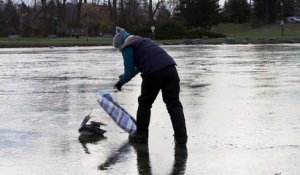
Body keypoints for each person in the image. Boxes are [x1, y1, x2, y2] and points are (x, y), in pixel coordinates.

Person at [112, 26, 188, 147]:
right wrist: (125, 77)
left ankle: (141, 135)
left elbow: (129, 71)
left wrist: (121, 82)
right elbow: (139, 66)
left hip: (153, 73)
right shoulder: (144, 41)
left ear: (121, 43)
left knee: (144, 103)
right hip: (171, 69)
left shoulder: (127, 47)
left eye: (119, 48)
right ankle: (181, 138)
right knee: (174, 105)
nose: (120, 50)